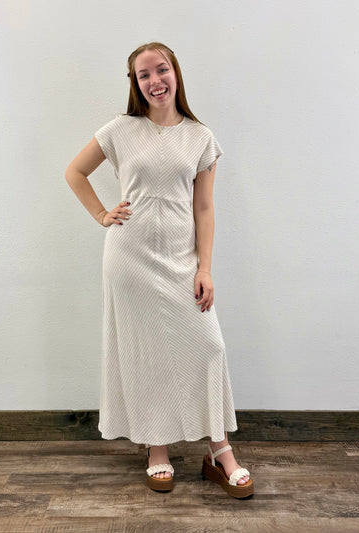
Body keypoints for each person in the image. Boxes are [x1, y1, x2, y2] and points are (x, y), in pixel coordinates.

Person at [65, 42, 253, 498]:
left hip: (182, 260)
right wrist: (101, 214)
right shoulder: (121, 129)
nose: (154, 81)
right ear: (135, 83)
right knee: (146, 353)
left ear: (175, 72)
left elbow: (203, 207)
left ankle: (219, 450)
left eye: (161, 69)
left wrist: (205, 267)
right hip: (129, 257)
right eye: (143, 75)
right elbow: (75, 172)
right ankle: (156, 447)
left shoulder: (200, 137)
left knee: (209, 346)